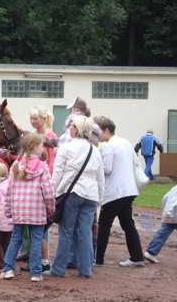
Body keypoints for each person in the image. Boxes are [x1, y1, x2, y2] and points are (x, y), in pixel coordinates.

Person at [43, 116, 104, 279]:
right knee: (85, 233)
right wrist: (101, 198)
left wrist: (51, 194)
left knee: (66, 231)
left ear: (76, 129)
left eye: (71, 125)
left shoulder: (66, 148)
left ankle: (59, 268)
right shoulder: (95, 150)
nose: (69, 127)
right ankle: (85, 270)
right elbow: (100, 177)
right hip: (90, 195)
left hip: (72, 194)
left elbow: (57, 175)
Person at [0, 133, 55, 283]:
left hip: (19, 209)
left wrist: (8, 209)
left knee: (15, 239)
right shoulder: (43, 167)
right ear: (36, 147)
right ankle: (36, 273)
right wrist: (50, 208)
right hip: (37, 210)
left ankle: (8, 269)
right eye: (41, 145)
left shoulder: (15, 166)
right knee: (36, 240)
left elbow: (9, 189)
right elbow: (48, 191)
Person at [95, 117, 145, 267]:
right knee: (128, 223)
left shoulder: (109, 147)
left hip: (115, 192)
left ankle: (98, 259)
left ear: (106, 130)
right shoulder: (126, 142)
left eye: (99, 131)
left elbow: (106, 169)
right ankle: (137, 256)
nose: (98, 135)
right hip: (129, 189)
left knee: (104, 224)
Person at [144, 185, 177, 263]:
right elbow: (173, 202)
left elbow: (165, 198)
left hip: (169, 216)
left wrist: (165, 212)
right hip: (171, 215)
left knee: (161, 235)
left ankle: (150, 253)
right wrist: (169, 214)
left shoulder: (175, 187)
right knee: (161, 234)